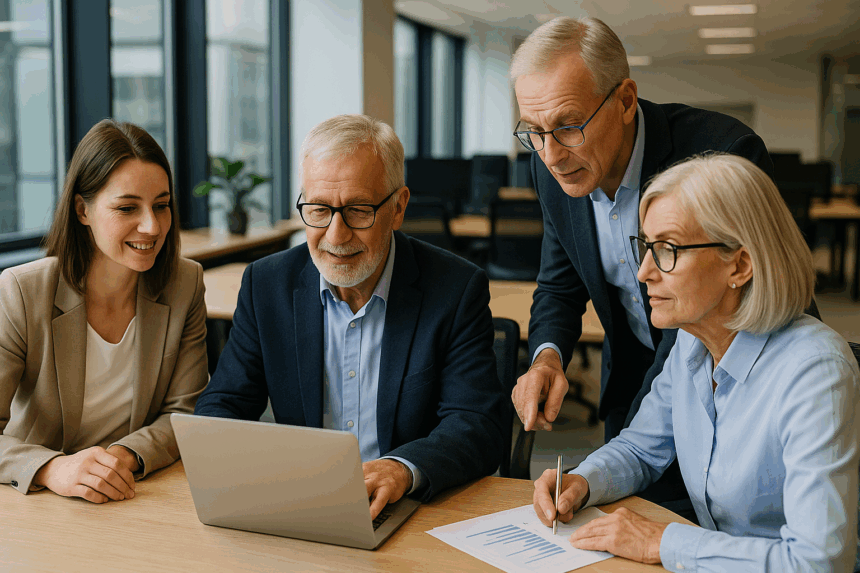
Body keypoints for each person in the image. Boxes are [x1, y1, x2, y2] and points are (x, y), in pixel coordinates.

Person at [508, 16, 788, 517]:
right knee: (624, 510)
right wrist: (546, 357)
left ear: (625, 100)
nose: (549, 153)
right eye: (534, 132)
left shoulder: (722, 153)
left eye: (568, 127)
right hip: (646, 372)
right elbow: (560, 281)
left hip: (742, 379)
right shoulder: (551, 165)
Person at [532, 154, 859, 571]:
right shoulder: (691, 342)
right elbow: (640, 449)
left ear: (739, 265)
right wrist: (582, 480)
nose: (645, 272)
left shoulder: (815, 372)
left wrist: (662, 543)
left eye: (668, 249)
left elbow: (819, 563)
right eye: (646, 247)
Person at [194, 114, 505, 519]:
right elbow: (223, 405)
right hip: (301, 504)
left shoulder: (455, 289)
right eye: (319, 209)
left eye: (358, 210)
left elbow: (476, 425)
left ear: (398, 208)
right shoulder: (266, 284)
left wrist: (402, 470)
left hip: (410, 509)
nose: (336, 236)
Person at [0, 119, 209, 503]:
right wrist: (52, 467)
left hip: (134, 492)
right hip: (40, 502)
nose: (151, 226)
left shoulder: (185, 284)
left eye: (161, 206)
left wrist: (119, 458)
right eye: (128, 207)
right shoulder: (21, 291)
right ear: (83, 210)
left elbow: (186, 411)